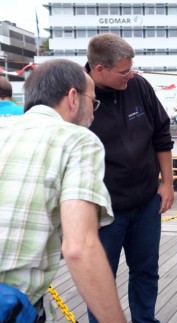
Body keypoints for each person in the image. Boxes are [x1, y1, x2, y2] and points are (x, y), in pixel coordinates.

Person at [0, 59, 126, 322]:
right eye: (93, 101)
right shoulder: (77, 140)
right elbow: (80, 247)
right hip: (12, 306)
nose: (94, 112)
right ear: (73, 97)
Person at [85, 33, 174, 323]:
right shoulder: (77, 97)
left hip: (147, 203)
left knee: (146, 270)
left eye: (131, 68)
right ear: (99, 70)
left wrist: (168, 183)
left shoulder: (138, 86)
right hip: (104, 211)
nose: (130, 75)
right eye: (124, 71)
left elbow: (161, 134)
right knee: (101, 278)